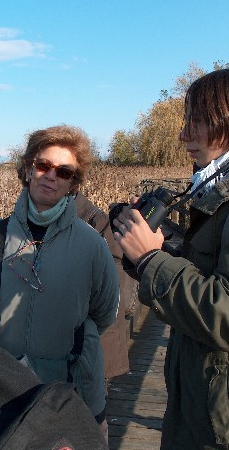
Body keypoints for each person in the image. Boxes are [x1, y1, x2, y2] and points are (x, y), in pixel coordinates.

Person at [0, 124, 119, 442]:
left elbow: (104, 312)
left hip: (68, 390)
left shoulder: (92, 244)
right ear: (27, 170)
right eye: (43, 165)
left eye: (64, 171)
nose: (51, 176)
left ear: (73, 183)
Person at [113, 69, 229, 449]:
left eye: (197, 122)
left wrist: (150, 260)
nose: (182, 137)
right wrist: (159, 249)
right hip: (199, 405)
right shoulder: (213, 190)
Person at [75, 191, 140, 379]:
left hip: (93, 349)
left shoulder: (97, 225)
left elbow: (118, 297)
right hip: (94, 347)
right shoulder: (99, 223)